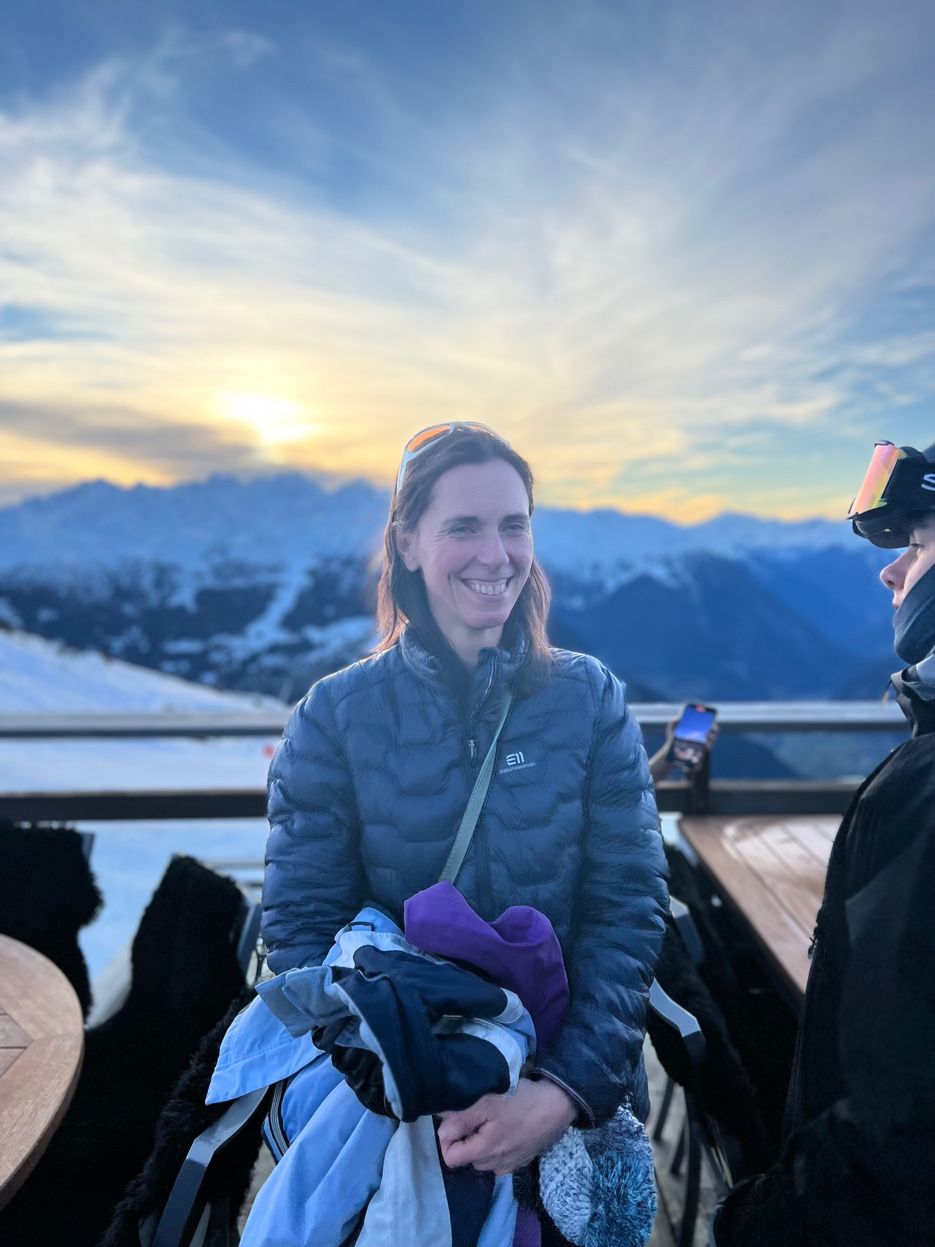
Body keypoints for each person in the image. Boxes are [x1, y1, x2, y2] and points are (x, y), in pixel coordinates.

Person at [260, 422, 668, 1204]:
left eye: (513, 525)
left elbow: (629, 908)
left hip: (567, 1092)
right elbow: (304, 926)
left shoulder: (588, 699)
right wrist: (414, 1085)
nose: (496, 554)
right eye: (464, 527)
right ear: (407, 543)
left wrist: (560, 1091)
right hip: (399, 1097)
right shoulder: (334, 717)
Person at [713, 440, 935, 1246]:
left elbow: (893, 1128)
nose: (891, 572)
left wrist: (747, 1223)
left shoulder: (925, 791)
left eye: (913, 544)